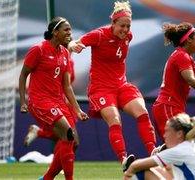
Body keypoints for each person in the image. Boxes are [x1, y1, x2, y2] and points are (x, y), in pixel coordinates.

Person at [68, 1, 156, 171]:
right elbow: (74, 43)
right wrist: (73, 46)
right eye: (122, 25)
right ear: (113, 23)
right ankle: (124, 159)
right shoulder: (99, 35)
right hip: (101, 88)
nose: (125, 30)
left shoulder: (128, 37)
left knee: (142, 112)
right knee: (115, 120)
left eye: (128, 26)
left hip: (122, 85)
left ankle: (153, 152)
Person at [19, 17, 88, 180]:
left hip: (58, 101)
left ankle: (47, 178)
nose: (69, 33)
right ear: (55, 32)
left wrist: (77, 109)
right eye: (66, 30)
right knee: (67, 134)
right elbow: (23, 75)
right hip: (40, 101)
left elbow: (67, 86)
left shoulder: (64, 53)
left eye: (70, 30)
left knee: (73, 141)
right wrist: (23, 101)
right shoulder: (38, 49)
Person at [24, 37, 81, 152]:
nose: (72, 48)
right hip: (49, 102)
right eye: (69, 45)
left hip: (63, 102)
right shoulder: (44, 55)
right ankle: (60, 167)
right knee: (69, 137)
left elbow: (67, 85)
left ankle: (39, 133)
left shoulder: (69, 61)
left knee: (68, 138)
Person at [123, 113, 195, 180]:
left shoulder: (179, 151)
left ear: (179, 134)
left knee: (139, 173)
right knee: (163, 169)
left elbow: (136, 165)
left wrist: (127, 175)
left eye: (167, 131)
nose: (164, 135)